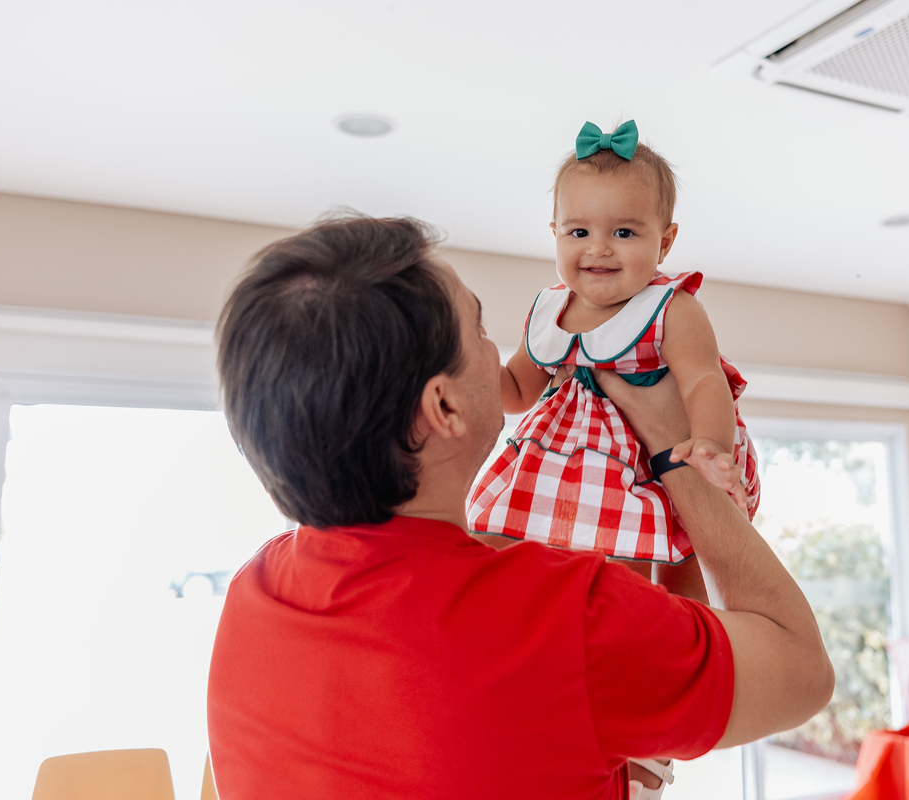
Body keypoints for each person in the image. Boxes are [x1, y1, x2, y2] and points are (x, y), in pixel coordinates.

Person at [206, 215, 833, 800]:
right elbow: (801, 670)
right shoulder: (569, 619)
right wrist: (673, 453)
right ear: (443, 408)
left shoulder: (252, 598)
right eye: (478, 331)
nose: (497, 350)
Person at [468, 120, 760, 577]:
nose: (599, 248)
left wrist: (709, 444)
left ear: (663, 243)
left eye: (623, 233)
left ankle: (670, 636)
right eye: (578, 233)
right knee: (502, 539)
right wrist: (470, 361)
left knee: (651, 569)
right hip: (564, 462)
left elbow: (705, 380)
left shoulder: (670, 307)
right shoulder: (550, 310)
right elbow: (517, 392)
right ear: (555, 234)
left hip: (646, 461)